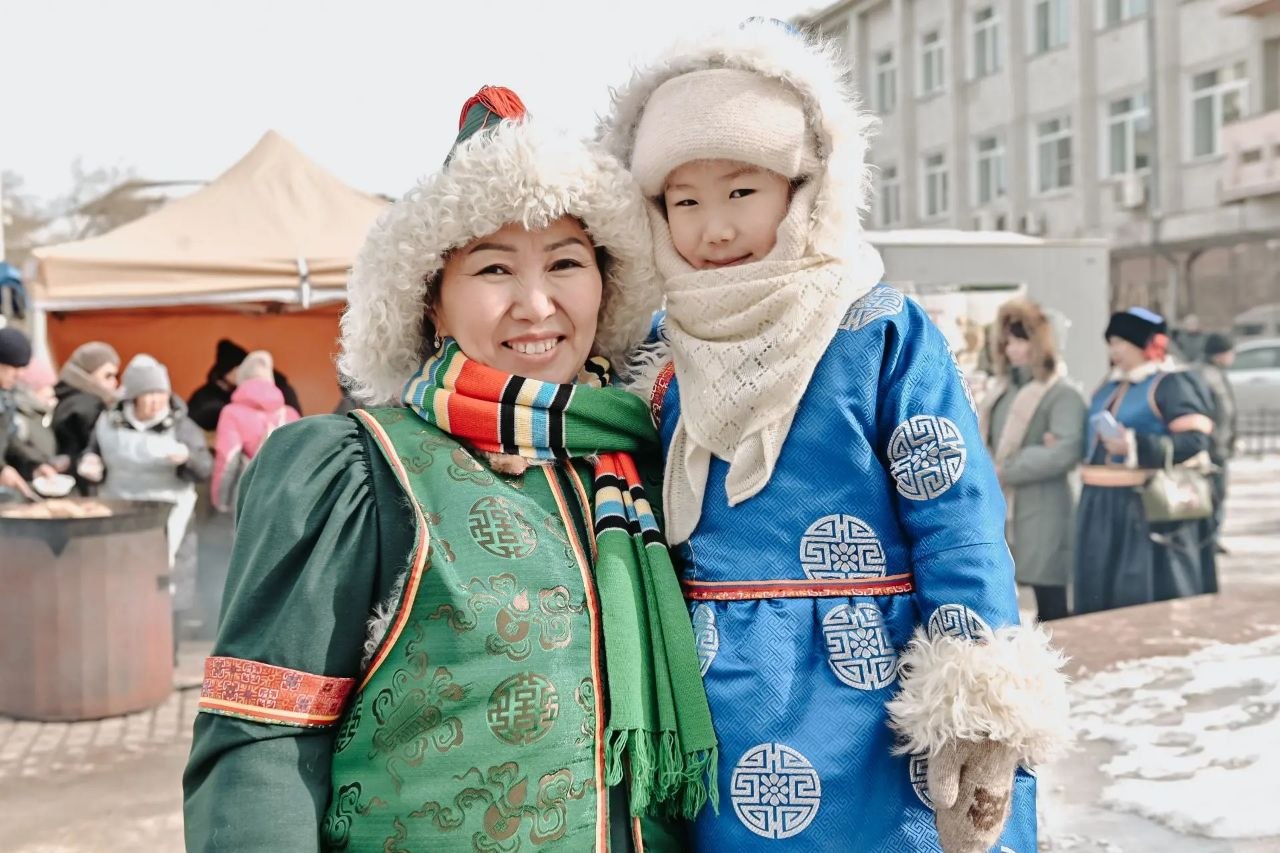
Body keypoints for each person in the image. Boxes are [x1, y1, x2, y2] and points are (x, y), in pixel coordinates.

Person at [184, 87, 712, 852]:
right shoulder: (360, 470)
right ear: (433, 300)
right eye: (495, 268)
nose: (537, 304)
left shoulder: (645, 460)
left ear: (606, 282)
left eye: (565, 262)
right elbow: (261, 742)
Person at [602, 20, 1068, 852]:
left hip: (878, 690)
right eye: (685, 200)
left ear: (804, 187)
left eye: (741, 192)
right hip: (719, 699)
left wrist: (979, 705)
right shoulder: (661, 355)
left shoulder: (878, 330)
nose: (713, 229)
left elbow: (954, 518)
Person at [1075, 308, 1216, 615]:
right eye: (1111, 343)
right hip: (1100, 504)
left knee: (1140, 595)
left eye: (1120, 342)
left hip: (1142, 507)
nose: (1114, 351)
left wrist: (1135, 445)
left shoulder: (1170, 384)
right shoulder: (1108, 385)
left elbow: (1195, 441)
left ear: (1142, 344)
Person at [79, 354, 213, 646]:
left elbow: (205, 468)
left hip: (170, 518)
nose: (155, 401)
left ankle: (165, 651)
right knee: (120, 584)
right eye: (148, 394)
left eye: (160, 393)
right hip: (119, 514)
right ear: (133, 398)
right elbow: (93, 452)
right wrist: (90, 464)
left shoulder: (181, 425)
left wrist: (187, 458)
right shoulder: (107, 421)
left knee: (165, 585)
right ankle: (121, 645)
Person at [979, 299, 1086, 621]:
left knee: (1049, 595)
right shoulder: (1003, 390)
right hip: (1006, 500)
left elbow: (1064, 449)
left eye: (1019, 340)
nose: (1009, 348)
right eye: (1007, 340)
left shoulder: (1062, 393)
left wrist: (1006, 469)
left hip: (1044, 506)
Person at [210, 350, 300, 512]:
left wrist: (220, 500)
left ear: (242, 380)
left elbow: (227, 459)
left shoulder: (232, 412)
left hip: (250, 497)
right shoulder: (290, 413)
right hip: (288, 497)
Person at [187, 338, 302, 431]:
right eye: (239, 369)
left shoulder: (283, 390)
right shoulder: (206, 396)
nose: (243, 373)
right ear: (227, 371)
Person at [52, 341, 120, 493]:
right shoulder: (88, 405)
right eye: (108, 376)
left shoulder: (67, 399)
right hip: (84, 488)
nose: (115, 383)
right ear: (86, 374)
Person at [1199, 331, 1237, 579]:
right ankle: (1208, 538)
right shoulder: (1208, 376)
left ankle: (1212, 537)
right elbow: (1217, 413)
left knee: (1218, 494)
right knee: (1214, 494)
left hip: (1219, 446)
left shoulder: (1215, 375)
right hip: (1214, 448)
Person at [9, 358, 71, 483]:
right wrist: (41, 463)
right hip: (27, 486)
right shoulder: (18, 420)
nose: (51, 392)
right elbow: (17, 449)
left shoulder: (43, 415)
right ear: (27, 391)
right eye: (42, 387)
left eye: (51, 386)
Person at [0, 326, 44, 500]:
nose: (19, 374)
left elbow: (9, 439)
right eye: (13, 367)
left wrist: (35, 463)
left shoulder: (6, 397)